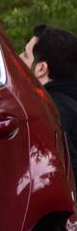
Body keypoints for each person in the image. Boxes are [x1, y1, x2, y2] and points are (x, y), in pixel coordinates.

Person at [20, 24, 77, 176]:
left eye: (25, 55)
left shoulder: (50, 112)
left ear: (41, 69)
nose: (18, 58)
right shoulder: (69, 103)